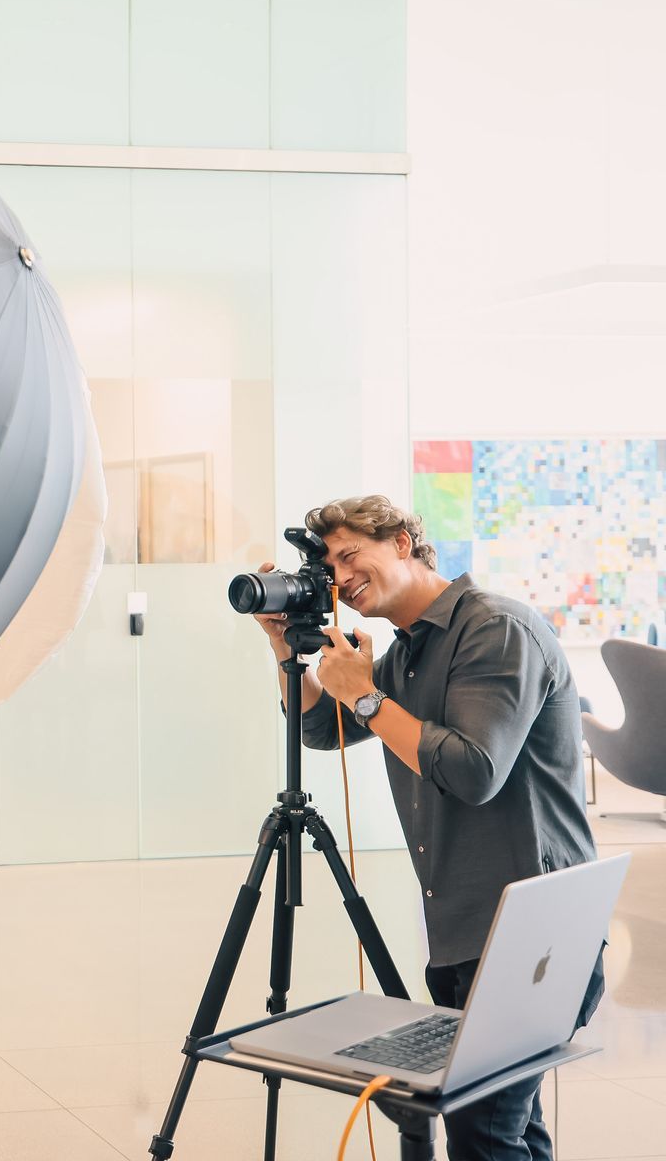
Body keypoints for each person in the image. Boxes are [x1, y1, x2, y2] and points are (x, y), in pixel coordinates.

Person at [255, 495, 599, 1161]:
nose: (342, 578)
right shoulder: (407, 655)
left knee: (485, 1135)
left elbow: (474, 771)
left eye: (351, 555)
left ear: (404, 543)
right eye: (331, 569)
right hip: (464, 932)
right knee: (509, 1130)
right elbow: (322, 728)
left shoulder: (496, 629)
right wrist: (283, 649)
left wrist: (364, 693)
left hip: (536, 935)